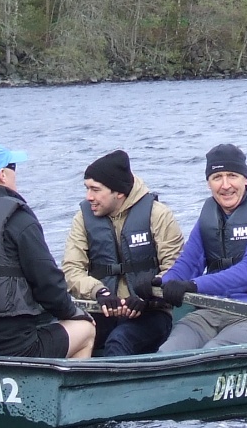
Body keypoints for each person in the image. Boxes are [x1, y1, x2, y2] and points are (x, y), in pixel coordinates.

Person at [0, 142, 96, 359]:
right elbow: (47, 283)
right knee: (86, 329)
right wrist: (74, 313)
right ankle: (66, 381)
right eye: (13, 167)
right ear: (2, 175)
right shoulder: (18, 217)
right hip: (14, 345)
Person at [145, 143, 247, 351]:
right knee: (168, 351)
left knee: (214, 351)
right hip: (213, 311)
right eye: (217, 177)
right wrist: (160, 283)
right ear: (209, 183)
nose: (225, 185)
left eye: (232, 175)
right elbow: (188, 264)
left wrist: (193, 285)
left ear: (245, 178)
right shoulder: (209, 215)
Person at [62, 149, 185, 356]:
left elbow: (176, 268)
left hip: (151, 312)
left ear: (118, 192)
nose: (88, 197)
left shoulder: (158, 215)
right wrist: (99, 292)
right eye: (87, 189)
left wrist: (147, 296)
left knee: (119, 341)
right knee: (65, 337)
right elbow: (71, 270)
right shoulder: (82, 219)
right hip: (101, 308)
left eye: (95, 190)